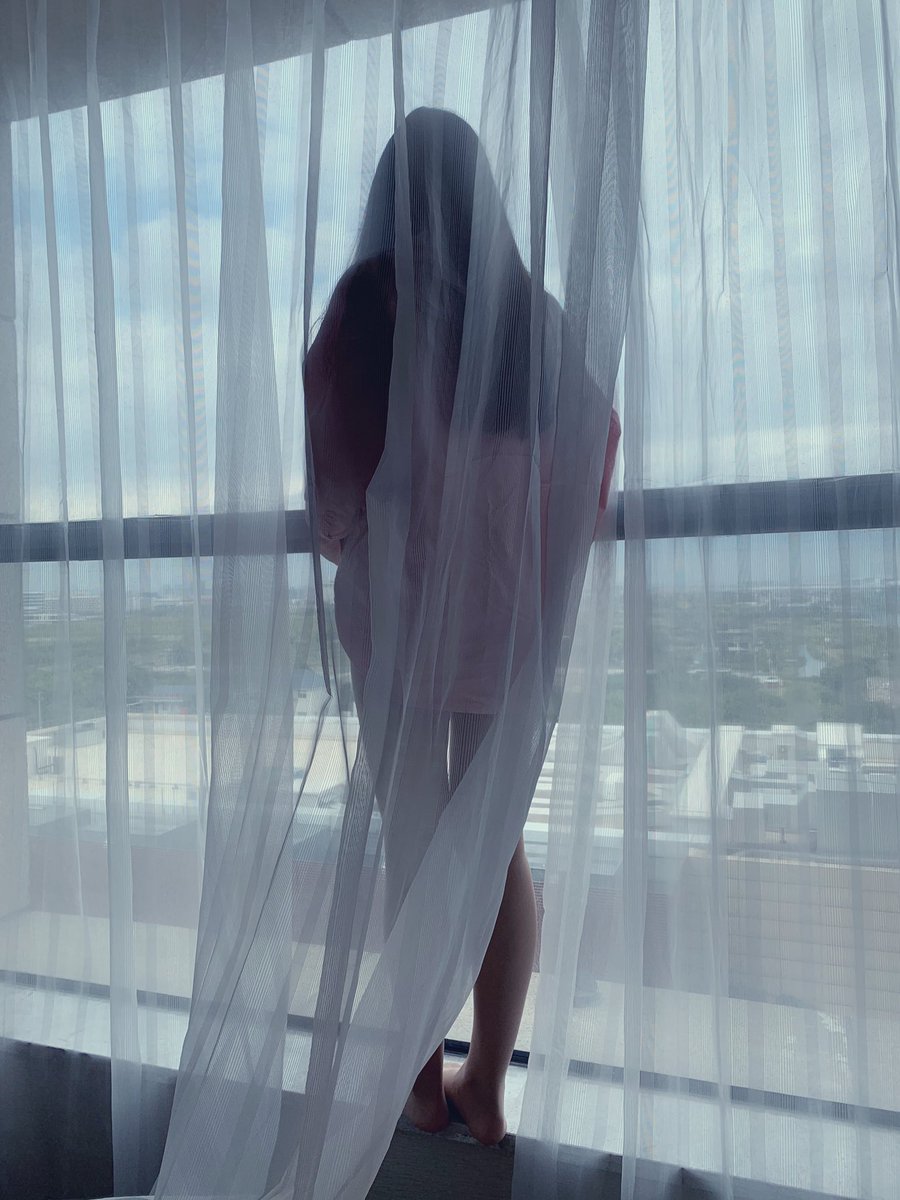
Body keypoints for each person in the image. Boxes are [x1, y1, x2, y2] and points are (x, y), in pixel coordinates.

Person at [304, 107, 619, 1146]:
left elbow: (334, 493)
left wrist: (353, 537)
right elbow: (598, 438)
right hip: (505, 628)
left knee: (413, 840)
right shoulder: (534, 322)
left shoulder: (366, 314)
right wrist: (543, 560)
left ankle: (417, 1074)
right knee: (496, 846)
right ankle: (485, 1080)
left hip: (398, 626)